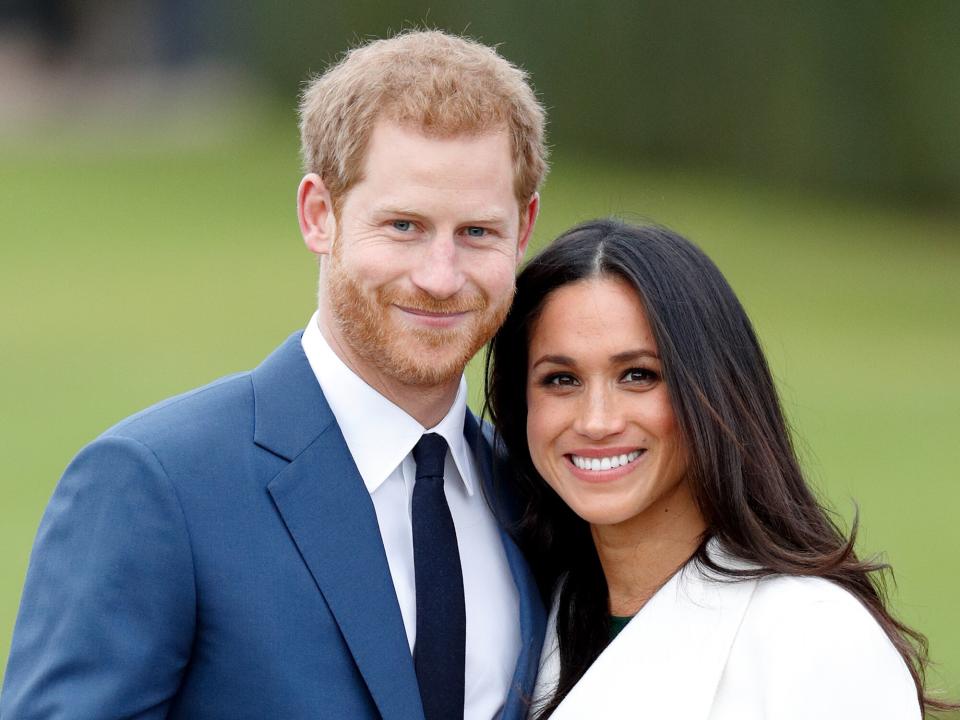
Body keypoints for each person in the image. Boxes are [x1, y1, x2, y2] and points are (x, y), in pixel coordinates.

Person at [2, 30, 547, 719]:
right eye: (404, 226)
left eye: (476, 232)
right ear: (320, 215)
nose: (440, 277)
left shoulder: (536, 497)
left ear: (523, 229)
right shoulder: (156, 485)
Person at [486, 219, 954, 719]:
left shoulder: (814, 635)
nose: (597, 420)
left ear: (711, 390)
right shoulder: (527, 618)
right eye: (561, 379)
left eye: (639, 375)